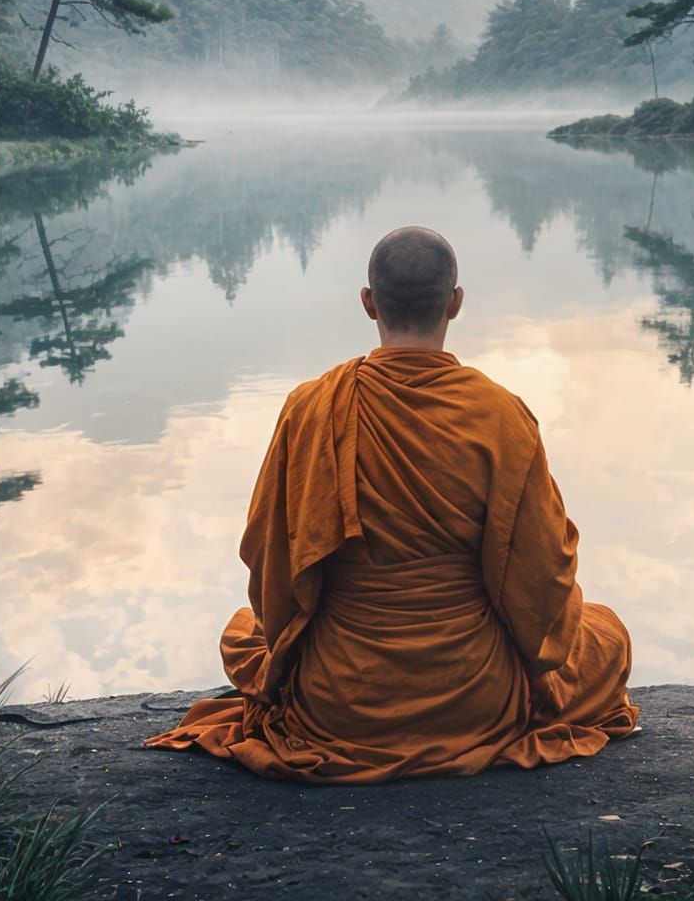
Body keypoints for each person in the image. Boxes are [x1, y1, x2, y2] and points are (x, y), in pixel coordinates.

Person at [146, 226, 638, 782]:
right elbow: (543, 574)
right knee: (605, 633)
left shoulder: (310, 407)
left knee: (244, 632)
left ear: (368, 302)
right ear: (456, 303)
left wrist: (289, 652)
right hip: (475, 694)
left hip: (338, 698)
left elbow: (269, 563)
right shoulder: (501, 415)